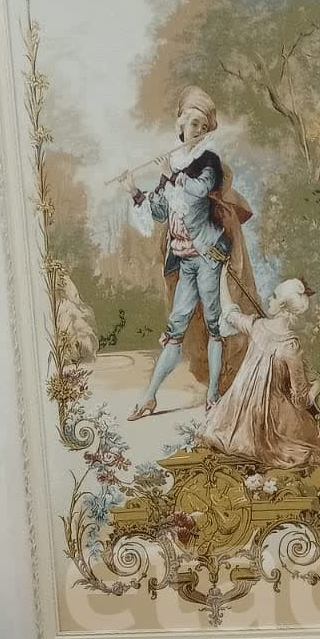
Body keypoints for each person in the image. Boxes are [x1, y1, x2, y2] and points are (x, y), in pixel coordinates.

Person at [121, 86, 256, 418]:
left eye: (203, 126)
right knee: (176, 328)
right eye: (192, 123)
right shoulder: (175, 163)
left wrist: (171, 175)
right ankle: (149, 397)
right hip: (185, 260)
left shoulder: (207, 161)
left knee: (213, 325)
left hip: (208, 256)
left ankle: (212, 396)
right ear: (179, 124)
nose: (197, 130)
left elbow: (199, 190)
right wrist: (135, 192)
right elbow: (159, 210)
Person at [200, 279, 320, 470]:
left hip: (234, 411)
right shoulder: (291, 347)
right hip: (266, 421)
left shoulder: (257, 327)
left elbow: (230, 313)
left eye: (274, 296)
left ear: (282, 306)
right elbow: (302, 401)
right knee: (307, 441)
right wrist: (318, 387)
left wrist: (222, 278)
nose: (269, 299)